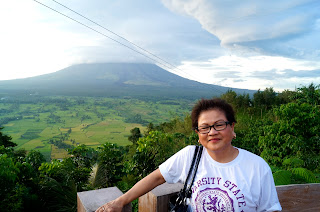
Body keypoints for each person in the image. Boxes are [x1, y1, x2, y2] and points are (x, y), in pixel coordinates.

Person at [96, 98, 282, 212]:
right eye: (204, 127)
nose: (212, 132)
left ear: (232, 127)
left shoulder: (256, 166)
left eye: (219, 125)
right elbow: (156, 178)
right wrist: (120, 202)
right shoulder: (190, 156)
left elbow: (270, 209)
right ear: (198, 134)